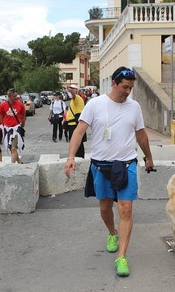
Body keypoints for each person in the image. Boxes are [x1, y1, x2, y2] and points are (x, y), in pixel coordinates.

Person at [65, 66, 154, 276]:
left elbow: (141, 135)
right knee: (105, 207)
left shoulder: (134, 107)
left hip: (126, 164)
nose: (127, 92)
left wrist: (149, 157)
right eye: (124, 87)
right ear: (113, 83)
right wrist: (70, 157)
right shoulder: (95, 104)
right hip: (100, 165)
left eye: (130, 88)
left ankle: (122, 257)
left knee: (125, 209)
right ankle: (112, 232)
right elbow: (78, 132)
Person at [0, 88, 26, 163]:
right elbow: (1, 115)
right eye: (14, 96)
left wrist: (22, 125)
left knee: (14, 148)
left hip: (16, 128)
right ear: (9, 96)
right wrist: (3, 125)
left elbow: (23, 115)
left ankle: (12, 166)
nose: (16, 97)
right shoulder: (3, 105)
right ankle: (19, 161)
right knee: (11, 148)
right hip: (7, 129)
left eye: (16, 96)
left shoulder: (20, 105)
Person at [66, 84, 85, 158]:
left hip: (75, 124)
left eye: (72, 88)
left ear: (76, 90)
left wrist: (72, 92)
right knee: (76, 142)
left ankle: (78, 157)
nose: (70, 89)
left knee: (76, 142)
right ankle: (77, 156)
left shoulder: (77, 98)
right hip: (72, 124)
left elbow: (74, 95)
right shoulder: (74, 99)